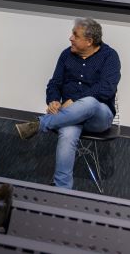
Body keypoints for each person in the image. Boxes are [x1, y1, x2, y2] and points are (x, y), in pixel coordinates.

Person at [15, 18, 121, 189]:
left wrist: (75, 100)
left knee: (90, 102)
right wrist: (54, 100)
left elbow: (107, 89)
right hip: (70, 115)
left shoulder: (109, 56)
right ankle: (62, 189)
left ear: (89, 41)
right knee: (68, 134)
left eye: (75, 35)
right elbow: (54, 83)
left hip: (99, 116)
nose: (70, 38)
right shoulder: (66, 55)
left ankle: (40, 124)